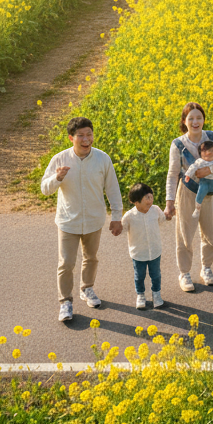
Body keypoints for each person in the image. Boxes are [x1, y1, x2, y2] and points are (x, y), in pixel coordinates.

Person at [40, 116, 123, 323]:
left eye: (89, 134)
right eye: (81, 136)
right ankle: (65, 302)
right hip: (68, 221)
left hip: (94, 220)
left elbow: (112, 189)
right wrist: (57, 178)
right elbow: (44, 189)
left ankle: (87, 289)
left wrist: (116, 216)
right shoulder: (60, 160)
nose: (86, 139)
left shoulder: (103, 159)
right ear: (71, 138)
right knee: (66, 263)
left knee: (91, 258)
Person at [166, 102, 213, 293]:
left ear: (203, 120)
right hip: (187, 193)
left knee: (210, 234)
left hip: (211, 194)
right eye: (191, 118)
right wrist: (169, 202)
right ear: (184, 121)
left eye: (199, 118)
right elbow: (172, 174)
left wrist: (209, 170)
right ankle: (184, 273)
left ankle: (206, 268)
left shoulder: (211, 137)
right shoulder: (178, 144)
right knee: (185, 235)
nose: (195, 122)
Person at [121, 183, 167, 310]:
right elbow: (122, 228)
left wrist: (168, 214)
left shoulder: (156, 210)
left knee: (156, 274)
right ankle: (140, 295)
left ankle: (156, 294)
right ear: (136, 201)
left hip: (155, 251)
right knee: (139, 275)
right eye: (146, 198)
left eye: (151, 197)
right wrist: (116, 227)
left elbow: (163, 219)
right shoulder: (129, 216)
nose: (150, 200)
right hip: (138, 253)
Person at [184, 138, 213, 213]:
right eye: (204, 151)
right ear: (200, 154)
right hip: (206, 181)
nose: (208, 153)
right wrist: (188, 175)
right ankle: (197, 208)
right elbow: (193, 167)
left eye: (211, 150)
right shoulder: (200, 162)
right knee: (200, 194)